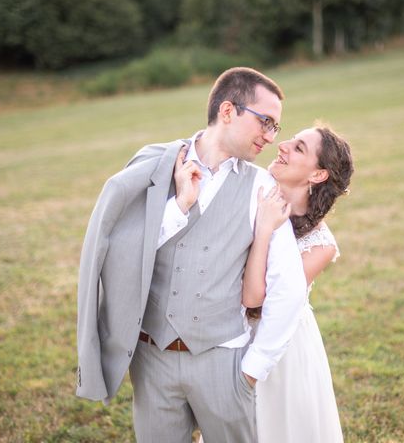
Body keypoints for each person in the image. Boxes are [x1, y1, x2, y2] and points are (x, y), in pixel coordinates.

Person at [76, 67, 307, 442]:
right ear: (228, 111)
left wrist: (251, 369)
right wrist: (179, 206)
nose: (269, 137)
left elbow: (289, 286)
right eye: (265, 122)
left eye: (275, 128)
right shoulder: (155, 168)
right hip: (153, 360)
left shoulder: (261, 187)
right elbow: (119, 254)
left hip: (223, 363)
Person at [242, 125, 354, 442]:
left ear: (318, 175)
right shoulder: (254, 197)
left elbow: (256, 302)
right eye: (292, 138)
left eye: (299, 147)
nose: (283, 145)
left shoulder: (320, 245)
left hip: (282, 350)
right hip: (230, 334)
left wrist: (264, 230)